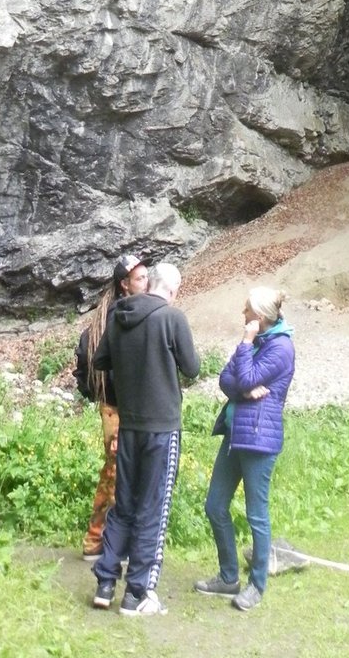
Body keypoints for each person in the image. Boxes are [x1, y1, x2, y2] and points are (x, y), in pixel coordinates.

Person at [90, 260, 201, 616]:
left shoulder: (118, 318)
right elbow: (193, 368)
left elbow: (100, 360)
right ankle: (138, 593)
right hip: (161, 428)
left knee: (124, 505)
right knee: (153, 507)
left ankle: (106, 581)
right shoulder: (172, 318)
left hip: (130, 426)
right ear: (171, 289)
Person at [194, 286, 295, 612]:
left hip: (259, 440)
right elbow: (227, 380)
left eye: (247, 311)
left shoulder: (280, 348)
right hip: (235, 435)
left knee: (256, 515)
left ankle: (257, 585)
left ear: (261, 317)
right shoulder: (258, 344)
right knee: (215, 506)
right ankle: (228, 577)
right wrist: (243, 386)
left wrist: (245, 345)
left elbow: (247, 376)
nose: (243, 315)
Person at [74, 253, 149, 561]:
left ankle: (102, 541)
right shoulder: (119, 321)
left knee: (117, 473)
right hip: (120, 409)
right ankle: (103, 543)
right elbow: (91, 365)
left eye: (147, 276)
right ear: (124, 285)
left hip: (114, 407)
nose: (146, 282)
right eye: (140, 278)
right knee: (119, 474)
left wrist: (97, 397)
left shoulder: (108, 319)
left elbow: (82, 369)